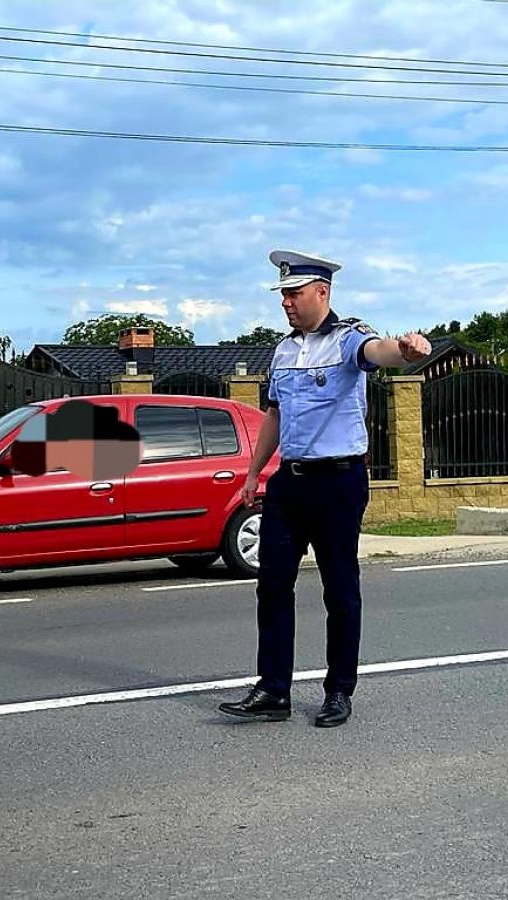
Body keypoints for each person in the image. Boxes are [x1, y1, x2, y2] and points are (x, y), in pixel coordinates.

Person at [219, 250, 432, 728]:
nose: (286, 303)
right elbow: (274, 416)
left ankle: (338, 691)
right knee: (272, 585)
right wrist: (254, 474)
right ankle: (273, 690)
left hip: (338, 481)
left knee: (339, 589)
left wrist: (407, 350)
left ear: (322, 292)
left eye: (294, 294)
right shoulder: (282, 351)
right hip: (289, 483)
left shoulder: (348, 338)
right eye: (283, 295)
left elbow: (379, 352)